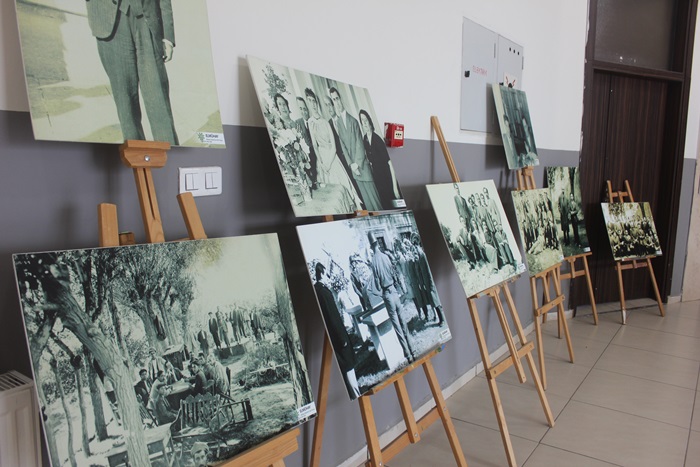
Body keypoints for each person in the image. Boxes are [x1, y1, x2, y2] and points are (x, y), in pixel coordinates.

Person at [85, 0, 179, 144]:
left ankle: (171, 154)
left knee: (158, 99)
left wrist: (168, 36)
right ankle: (136, 155)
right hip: (110, 21)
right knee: (125, 103)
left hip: (147, 19)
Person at [304, 88, 362, 211]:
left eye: (314, 101)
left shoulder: (325, 122)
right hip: (321, 160)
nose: (312, 104)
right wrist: (322, 163)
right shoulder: (310, 122)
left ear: (317, 103)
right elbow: (314, 145)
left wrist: (329, 163)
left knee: (342, 186)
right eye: (309, 101)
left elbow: (334, 146)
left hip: (332, 158)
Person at [329, 87, 382, 211]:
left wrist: (357, 164)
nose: (336, 102)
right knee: (368, 206)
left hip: (363, 168)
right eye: (334, 100)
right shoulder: (338, 124)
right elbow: (343, 146)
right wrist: (351, 164)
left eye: (337, 98)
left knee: (376, 203)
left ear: (341, 99)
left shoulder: (353, 121)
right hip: (355, 171)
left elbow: (359, 144)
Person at [314, 262, 361, 397]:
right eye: (327, 275)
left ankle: (353, 392)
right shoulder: (323, 292)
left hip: (334, 336)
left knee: (345, 368)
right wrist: (342, 339)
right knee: (348, 366)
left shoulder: (318, 290)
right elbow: (332, 317)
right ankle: (355, 393)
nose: (328, 278)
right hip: (338, 336)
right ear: (321, 274)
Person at [369, 232, 412, 360]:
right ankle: (413, 349)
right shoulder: (386, 256)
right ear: (377, 244)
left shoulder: (373, 262)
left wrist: (380, 293)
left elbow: (376, 286)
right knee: (403, 322)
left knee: (397, 327)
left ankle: (408, 354)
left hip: (387, 295)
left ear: (371, 247)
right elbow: (394, 273)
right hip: (394, 292)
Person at [359, 110, 403, 210]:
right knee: (387, 207)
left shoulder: (377, 140)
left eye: (366, 120)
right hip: (379, 181)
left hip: (388, 179)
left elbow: (390, 163)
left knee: (396, 207)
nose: (364, 123)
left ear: (370, 121)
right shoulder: (365, 139)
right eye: (362, 120)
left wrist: (395, 187)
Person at [294, 97, 318, 190]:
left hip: (317, 155)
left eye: (304, 108)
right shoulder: (297, 123)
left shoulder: (313, 121)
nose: (303, 111)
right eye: (301, 109)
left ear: (308, 109)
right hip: (307, 159)